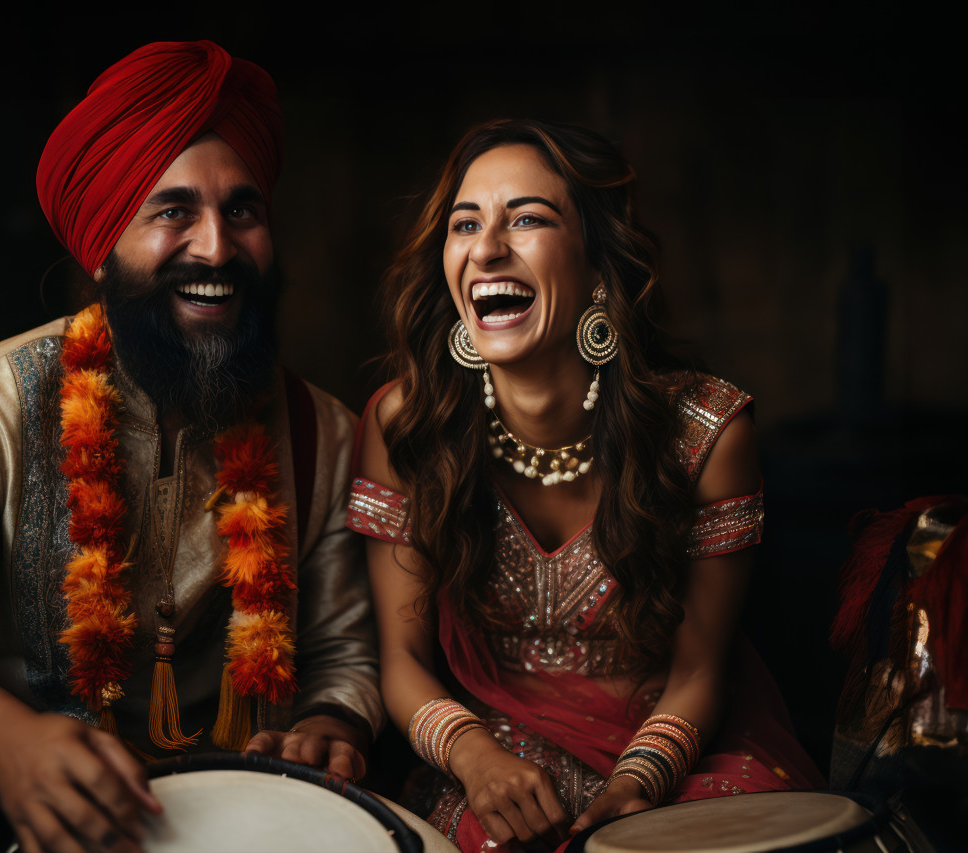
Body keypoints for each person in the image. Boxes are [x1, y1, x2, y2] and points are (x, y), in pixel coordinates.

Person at [0, 41, 381, 853]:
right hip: (7, 786)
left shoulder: (320, 430)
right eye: (172, 211)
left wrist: (328, 722)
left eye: (242, 210)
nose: (215, 247)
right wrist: (8, 739)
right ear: (101, 248)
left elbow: (341, 647)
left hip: (234, 804)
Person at [348, 119, 824, 853]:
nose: (486, 248)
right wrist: (477, 760)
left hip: (672, 755)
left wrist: (638, 782)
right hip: (493, 766)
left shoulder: (706, 434)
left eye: (528, 218)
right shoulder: (408, 426)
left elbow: (702, 668)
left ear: (599, 265)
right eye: (464, 223)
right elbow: (403, 661)